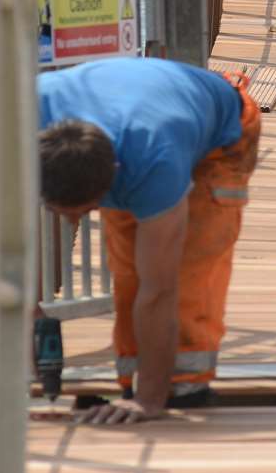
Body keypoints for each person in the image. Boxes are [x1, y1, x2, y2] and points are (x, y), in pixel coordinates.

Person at [38, 57, 262, 424]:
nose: (72, 220)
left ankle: (182, 389)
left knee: (185, 271)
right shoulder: (28, 113)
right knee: (128, 276)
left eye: (85, 209)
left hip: (222, 135)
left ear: (114, 177)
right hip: (145, 111)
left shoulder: (155, 162)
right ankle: (130, 382)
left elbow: (159, 290)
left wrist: (149, 401)